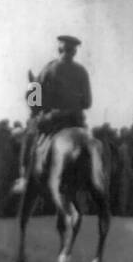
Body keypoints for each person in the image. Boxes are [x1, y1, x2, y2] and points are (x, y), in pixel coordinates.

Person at [12, 34, 93, 195]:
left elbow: (34, 99)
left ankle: (25, 179)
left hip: (53, 121)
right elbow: (88, 103)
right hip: (76, 122)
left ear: (59, 49)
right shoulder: (82, 71)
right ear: (74, 52)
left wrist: (38, 110)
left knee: (30, 137)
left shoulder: (48, 69)